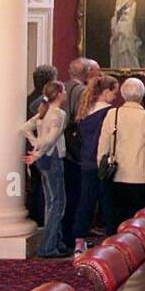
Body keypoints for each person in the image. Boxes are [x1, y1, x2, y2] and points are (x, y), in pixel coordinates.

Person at [96, 78, 145, 235]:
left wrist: (101, 167)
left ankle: (115, 253)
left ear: (123, 94)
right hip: (141, 176)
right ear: (142, 95)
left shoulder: (112, 114)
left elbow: (103, 145)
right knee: (137, 223)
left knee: (116, 220)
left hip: (115, 174)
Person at [20, 81, 70, 258]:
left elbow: (25, 129)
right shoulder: (58, 114)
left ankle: (56, 242)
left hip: (43, 159)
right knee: (58, 204)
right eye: (63, 91)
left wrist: (35, 148)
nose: (65, 94)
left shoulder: (43, 112)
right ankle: (48, 246)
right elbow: (50, 139)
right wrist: (38, 153)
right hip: (52, 159)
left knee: (51, 202)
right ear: (58, 94)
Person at [72, 74, 119, 254]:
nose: (115, 97)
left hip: (85, 161)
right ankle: (111, 240)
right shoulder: (109, 113)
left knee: (86, 202)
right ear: (107, 91)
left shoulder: (85, 111)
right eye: (114, 92)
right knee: (108, 203)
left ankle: (79, 241)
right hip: (102, 163)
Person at [62, 58, 100, 247]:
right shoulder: (81, 91)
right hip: (76, 151)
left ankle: (66, 236)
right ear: (87, 73)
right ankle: (74, 238)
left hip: (62, 149)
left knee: (66, 195)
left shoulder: (63, 87)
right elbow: (82, 119)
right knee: (77, 195)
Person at [25, 64, 58, 225]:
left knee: (37, 185)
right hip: (45, 150)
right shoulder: (44, 103)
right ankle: (43, 220)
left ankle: (37, 217)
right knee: (46, 189)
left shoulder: (27, 100)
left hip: (33, 150)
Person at [109, 0, 145, 69]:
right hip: (117, 32)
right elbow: (115, 17)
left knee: (127, 52)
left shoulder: (131, 2)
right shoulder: (118, 1)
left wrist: (121, 30)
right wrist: (114, 29)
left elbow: (130, 19)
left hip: (126, 33)